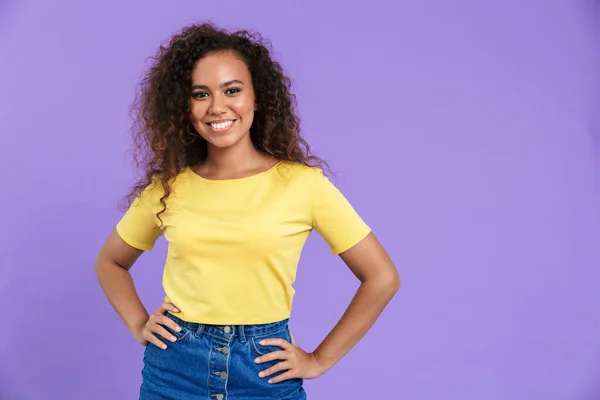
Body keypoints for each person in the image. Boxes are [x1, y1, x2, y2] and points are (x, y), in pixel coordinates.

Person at [95, 22, 400, 400]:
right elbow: (110, 263)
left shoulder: (304, 185)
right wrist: (139, 323)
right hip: (174, 370)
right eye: (200, 93)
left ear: (257, 98)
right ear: (184, 106)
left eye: (232, 90)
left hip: (264, 371)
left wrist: (319, 359)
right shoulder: (167, 188)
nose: (217, 106)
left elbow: (382, 277)